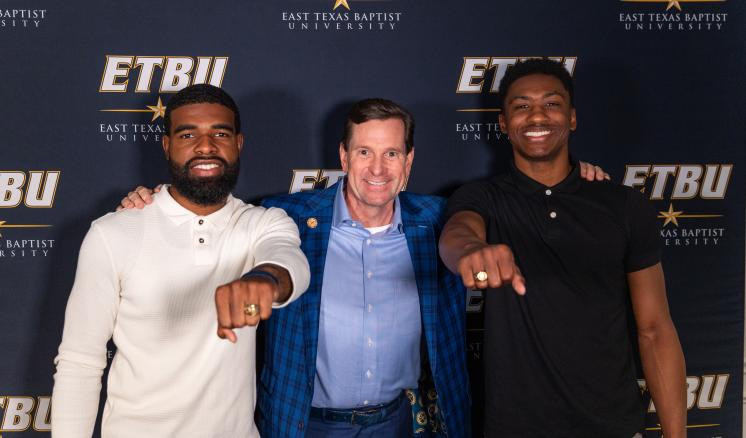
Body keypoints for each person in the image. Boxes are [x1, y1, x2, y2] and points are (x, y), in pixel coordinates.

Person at [120, 98, 607, 437]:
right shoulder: (284, 218)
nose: (378, 168)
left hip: (402, 423)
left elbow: (520, 202)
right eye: (365, 152)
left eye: (392, 152)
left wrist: (574, 179)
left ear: (409, 161)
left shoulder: (438, 219)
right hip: (302, 423)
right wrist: (155, 200)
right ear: (343, 157)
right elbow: (210, 213)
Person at [438, 58, 687, 438]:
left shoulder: (622, 205)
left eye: (552, 104)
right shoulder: (482, 197)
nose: (537, 116)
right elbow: (456, 235)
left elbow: (655, 329)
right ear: (503, 123)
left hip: (613, 427)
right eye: (521, 106)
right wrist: (472, 250)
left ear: (572, 118)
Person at [51, 84, 310, 438]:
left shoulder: (261, 222)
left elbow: (289, 261)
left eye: (220, 133)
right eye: (188, 134)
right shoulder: (114, 233)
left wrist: (265, 281)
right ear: (167, 145)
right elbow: (79, 362)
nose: (206, 146)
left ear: (239, 144)